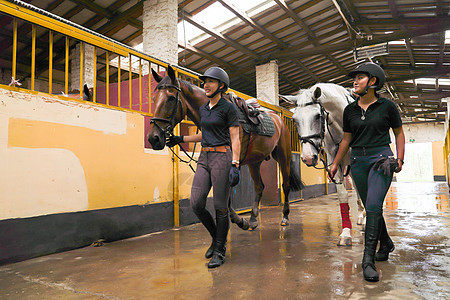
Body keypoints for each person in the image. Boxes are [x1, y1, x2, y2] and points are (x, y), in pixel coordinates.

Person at [328, 62, 405, 282]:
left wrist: (399, 158)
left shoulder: (387, 106)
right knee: (371, 204)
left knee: (372, 206)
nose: (355, 81)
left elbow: (399, 133)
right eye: (355, 78)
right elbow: (346, 139)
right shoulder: (349, 110)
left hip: (382, 159)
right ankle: (386, 243)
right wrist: (335, 163)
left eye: (360, 77)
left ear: (373, 82)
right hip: (358, 162)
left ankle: (367, 260)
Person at [166, 67, 241, 268]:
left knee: (220, 207)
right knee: (196, 203)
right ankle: (217, 238)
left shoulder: (228, 109)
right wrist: (180, 138)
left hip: (222, 158)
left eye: (211, 81)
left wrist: (235, 163)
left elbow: (235, 137)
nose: (205, 85)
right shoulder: (203, 109)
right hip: (204, 157)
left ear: (221, 86)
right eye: (204, 82)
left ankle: (220, 250)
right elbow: (204, 135)